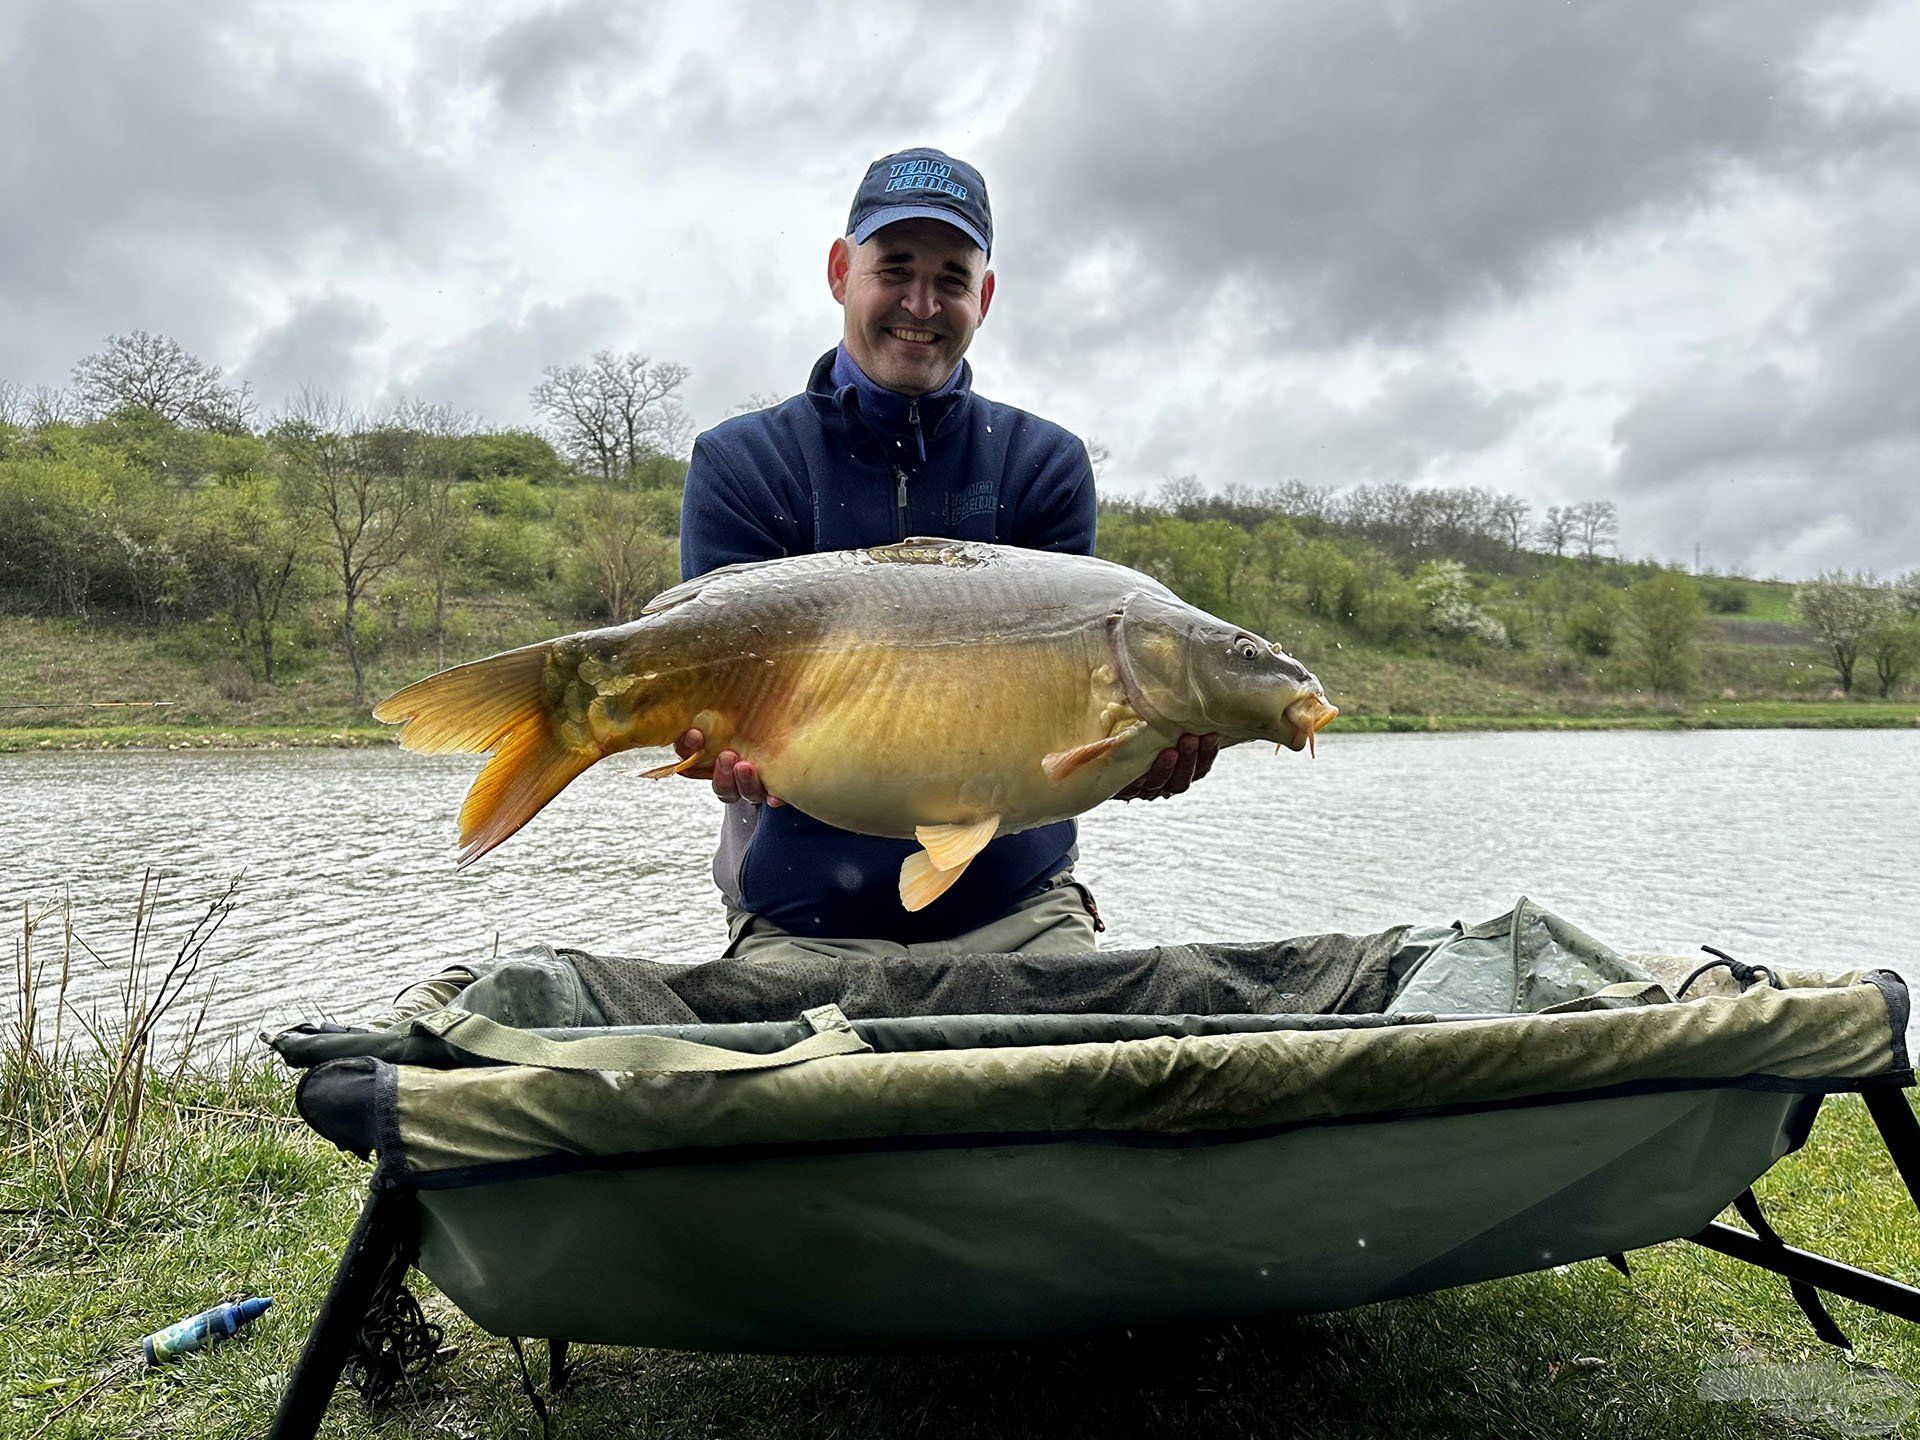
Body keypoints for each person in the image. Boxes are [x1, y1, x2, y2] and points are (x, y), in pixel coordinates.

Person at [674, 146, 1216, 962]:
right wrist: (717, 747)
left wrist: (1136, 754)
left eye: (952, 279)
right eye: (895, 269)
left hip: (1023, 913)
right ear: (839, 272)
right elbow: (709, 703)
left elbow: (1073, 729)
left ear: (985, 295)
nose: (921, 305)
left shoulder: (1043, 463)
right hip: (802, 922)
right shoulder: (743, 463)